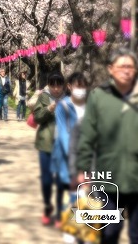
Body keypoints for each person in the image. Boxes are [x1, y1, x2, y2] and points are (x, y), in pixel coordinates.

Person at [76, 47, 138, 244]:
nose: (126, 71)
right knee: (109, 233)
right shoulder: (99, 96)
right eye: (121, 67)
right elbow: (87, 135)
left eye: (130, 66)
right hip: (108, 178)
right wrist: (83, 170)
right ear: (111, 69)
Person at [50, 72, 90, 228]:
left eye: (83, 86)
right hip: (66, 155)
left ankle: (80, 225)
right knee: (67, 188)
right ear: (69, 86)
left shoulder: (91, 106)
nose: (80, 89)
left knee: (84, 190)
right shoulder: (63, 105)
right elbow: (63, 134)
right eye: (77, 86)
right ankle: (65, 219)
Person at [33, 71, 66, 226]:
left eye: (58, 85)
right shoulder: (44, 97)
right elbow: (37, 117)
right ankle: (48, 206)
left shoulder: (69, 98)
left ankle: (59, 211)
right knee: (46, 180)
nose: (56, 88)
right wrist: (48, 110)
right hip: (46, 144)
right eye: (53, 85)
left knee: (60, 180)